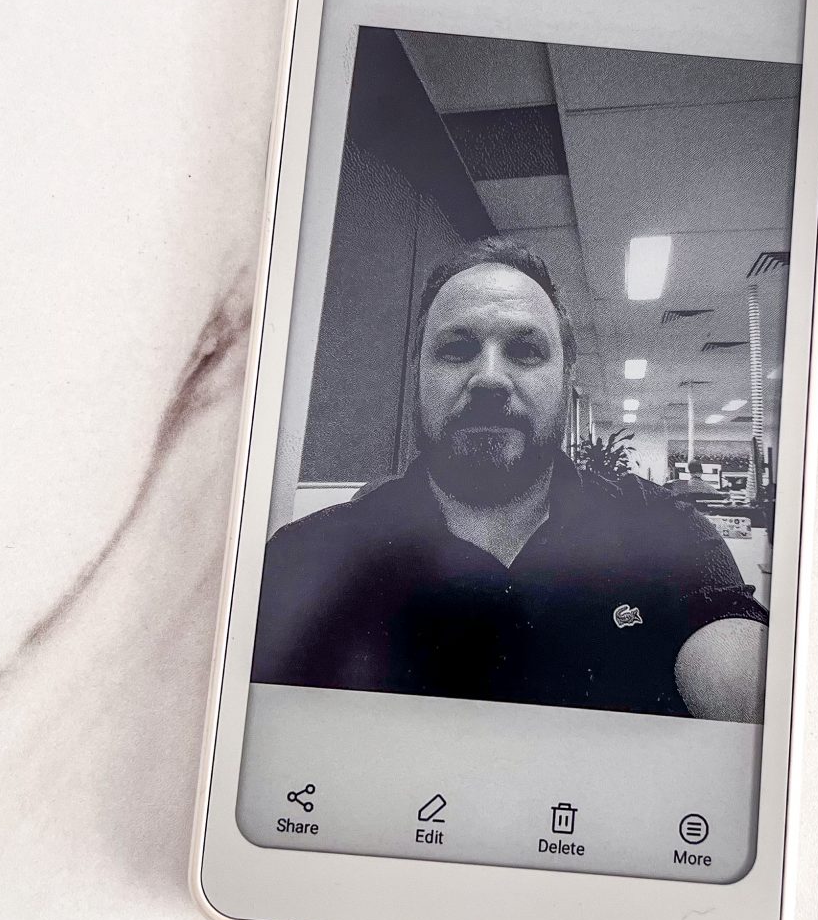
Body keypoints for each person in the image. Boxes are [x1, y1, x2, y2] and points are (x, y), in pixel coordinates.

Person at [253, 237, 769, 721]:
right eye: (457, 350)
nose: (490, 379)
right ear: (419, 374)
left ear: (566, 378)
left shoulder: (665, 531)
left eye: (525, 351)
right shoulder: (306, 558)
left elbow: (740, 667)